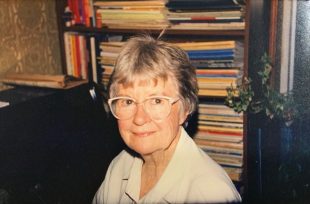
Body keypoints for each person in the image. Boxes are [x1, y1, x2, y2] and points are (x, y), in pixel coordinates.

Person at [92, 35, 241, 204]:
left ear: (185, 109)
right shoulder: (120, 166)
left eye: (156, 101)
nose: (140, 118)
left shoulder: (210, 193)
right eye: (128, 101)